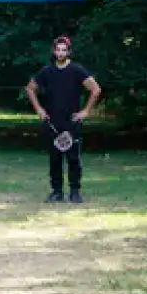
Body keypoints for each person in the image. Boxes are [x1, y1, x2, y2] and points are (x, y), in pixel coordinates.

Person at [25, 35, 102, 203]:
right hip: (53, 122)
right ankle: (57, 192)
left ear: (69, 51)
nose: (60, 53)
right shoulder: (47, 71)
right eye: (58, 50)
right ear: (54, 51)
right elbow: (30, 89)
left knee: (74, 158)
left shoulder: (77, 70)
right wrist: (39, 109)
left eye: (63, 50)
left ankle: (75, 192)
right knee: (55, 159)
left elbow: (96, 90)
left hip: (72, 122)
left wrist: (85, 111)